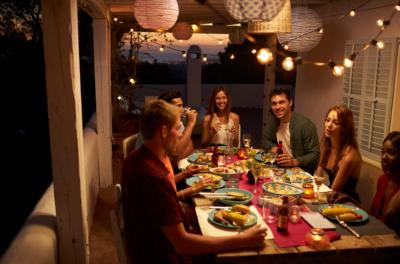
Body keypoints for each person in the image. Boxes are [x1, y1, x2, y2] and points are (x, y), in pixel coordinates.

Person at [122, 100, 267, 263]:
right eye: (177, 128)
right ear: (163, 131)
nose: (180, 134)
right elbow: (182, 244)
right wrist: (243, 240)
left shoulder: (136, 159)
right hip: (161, 255)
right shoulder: (153, 177)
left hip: (147, 245)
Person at [262, 87, 320, 175]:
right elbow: (265, 140)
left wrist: (294, 161)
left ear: (290, 103)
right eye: (274, 103)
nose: (277, 107)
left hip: (301, 174)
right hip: (280, 170)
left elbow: (315, 155)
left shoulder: (305, 125)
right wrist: (274, 147)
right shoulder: (273, 121)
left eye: (281, 102)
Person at [315, 105, 362, 202]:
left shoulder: (349, 156)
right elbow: (318, 178)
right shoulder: (327, 145)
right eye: (327, 120)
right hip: (331, 196)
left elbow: (334, 190)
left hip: (345, 202)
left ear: (344, 129)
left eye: (336, 123)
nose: (329, 125)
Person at [135, 90, 197, 161]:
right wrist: (190, 124)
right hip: (149, 163)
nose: (182, 109)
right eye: (179, 106)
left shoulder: (177, 121)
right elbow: (177, 154)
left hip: (173, 164)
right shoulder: (159, 123)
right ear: (167, 107)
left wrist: (191, 155)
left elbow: (190, 148)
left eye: (182, 105)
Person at [370, 131, 400, 234]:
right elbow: (373, 217)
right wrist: (349, 200)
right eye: (383, 152)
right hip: (374, 236)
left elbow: (390, 213)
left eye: (391, 153)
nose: (384, 157)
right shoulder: (383, 180)